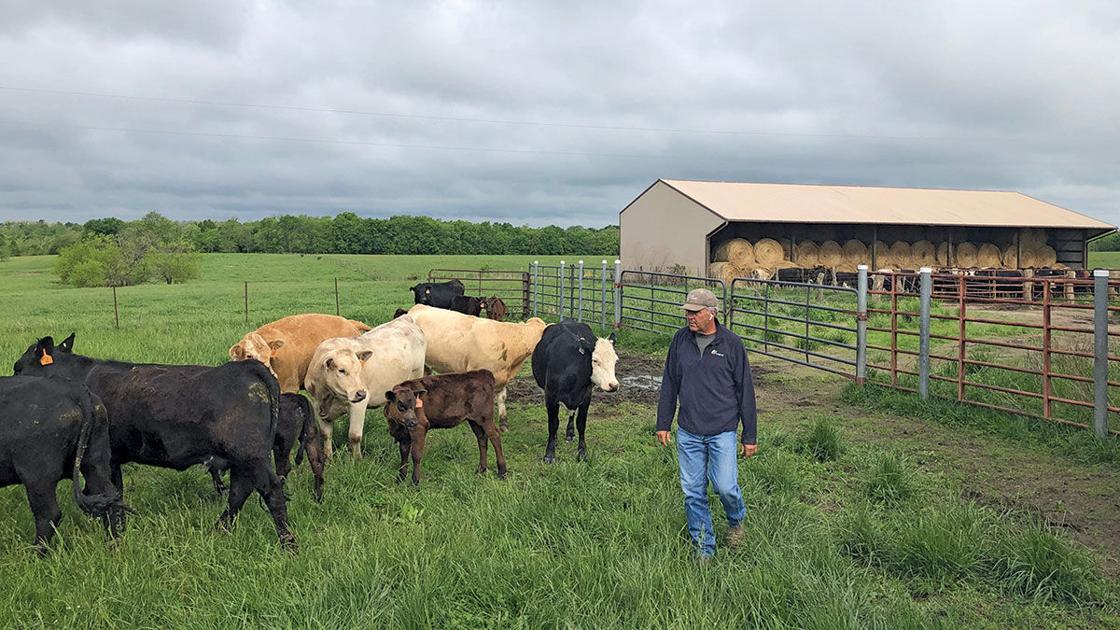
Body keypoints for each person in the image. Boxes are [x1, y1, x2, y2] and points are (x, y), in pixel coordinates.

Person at [656, 287, 758, 559]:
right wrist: (663, 422)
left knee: (725, 487)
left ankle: (736, 519)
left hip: (722, 431)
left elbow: (745, 390)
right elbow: (670, 382)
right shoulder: (680, 341)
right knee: (693, 492)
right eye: (687, 312)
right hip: (688, 431)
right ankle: (704, 547)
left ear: (711, 314)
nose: (688, 317)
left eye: (694, 312)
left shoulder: (731, 345)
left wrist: (749, 436)